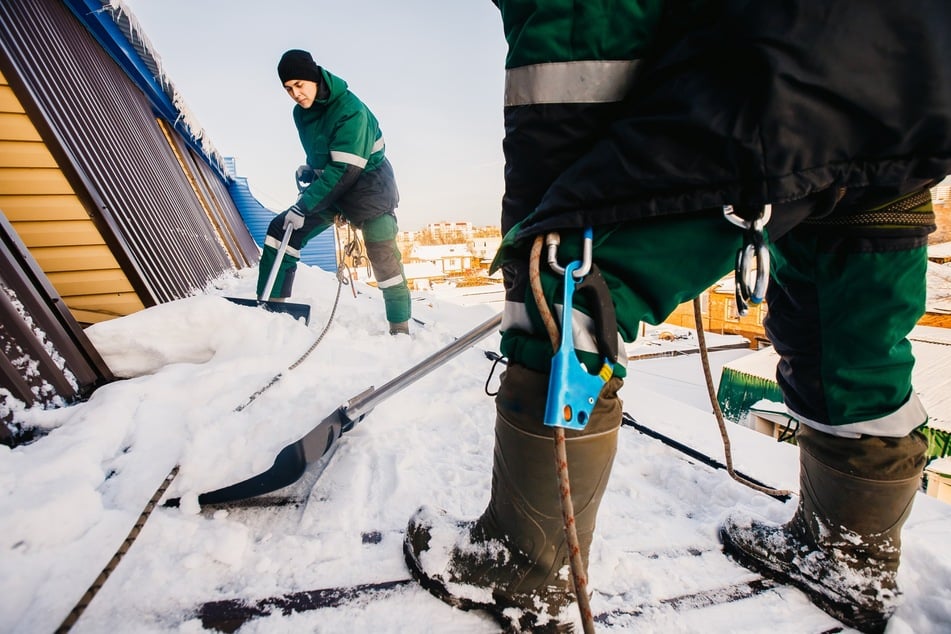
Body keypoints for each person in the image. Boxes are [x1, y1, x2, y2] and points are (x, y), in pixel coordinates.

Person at [404, 1, 951, 632]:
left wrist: (548, 219)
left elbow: (575, 48)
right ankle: (850, 556)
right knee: (850, 332)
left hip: (773, 85)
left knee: (564, 296)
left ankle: (521, 566)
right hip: (912, 100)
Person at [258, 49, 412, 335]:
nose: (295, 94)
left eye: (299, 85)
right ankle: (271, 310)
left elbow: (345, 169)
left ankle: (399, 326)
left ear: (315, 78)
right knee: (281, 230)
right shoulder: (301, 114)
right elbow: (327, 156)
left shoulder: (350, 109)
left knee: (382, 252)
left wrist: (303, 207)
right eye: (288, 88)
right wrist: (311, 168)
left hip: (369, 190)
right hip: (334, 189)